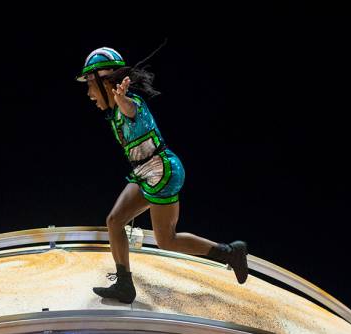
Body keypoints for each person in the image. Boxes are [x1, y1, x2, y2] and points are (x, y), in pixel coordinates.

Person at [77, 42, 249, 304]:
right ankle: (125, 284)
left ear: (104, 84)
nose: (89, 94)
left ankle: (229, 253)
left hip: (161, 173)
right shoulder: (114, 115)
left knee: (164, 239)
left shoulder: (129, 104)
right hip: (146, 173)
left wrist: (121, 99)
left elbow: (131, 110)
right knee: (119, 223)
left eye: (90, 85)